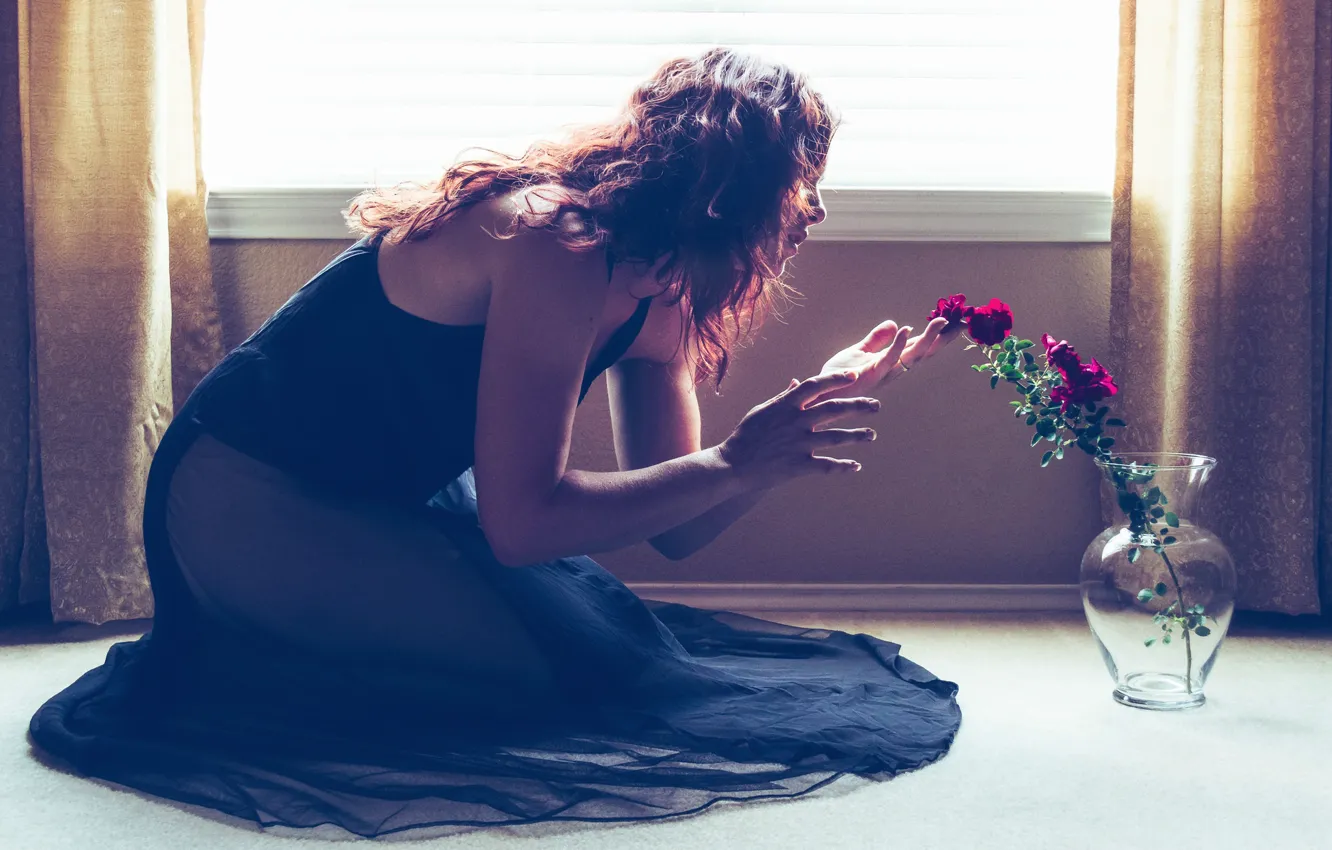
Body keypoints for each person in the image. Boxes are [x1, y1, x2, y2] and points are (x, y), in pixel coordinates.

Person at [29, 48, 962, 838]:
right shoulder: (555, 238)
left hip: (390, 493)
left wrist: (793, 427)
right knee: (531, 681)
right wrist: (731, 461)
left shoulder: (665, 294)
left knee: (608, 650)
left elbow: (678, 530)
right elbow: (524, 525)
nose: (817, 209)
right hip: (248, 491)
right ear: (728, 194)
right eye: (803, 181)